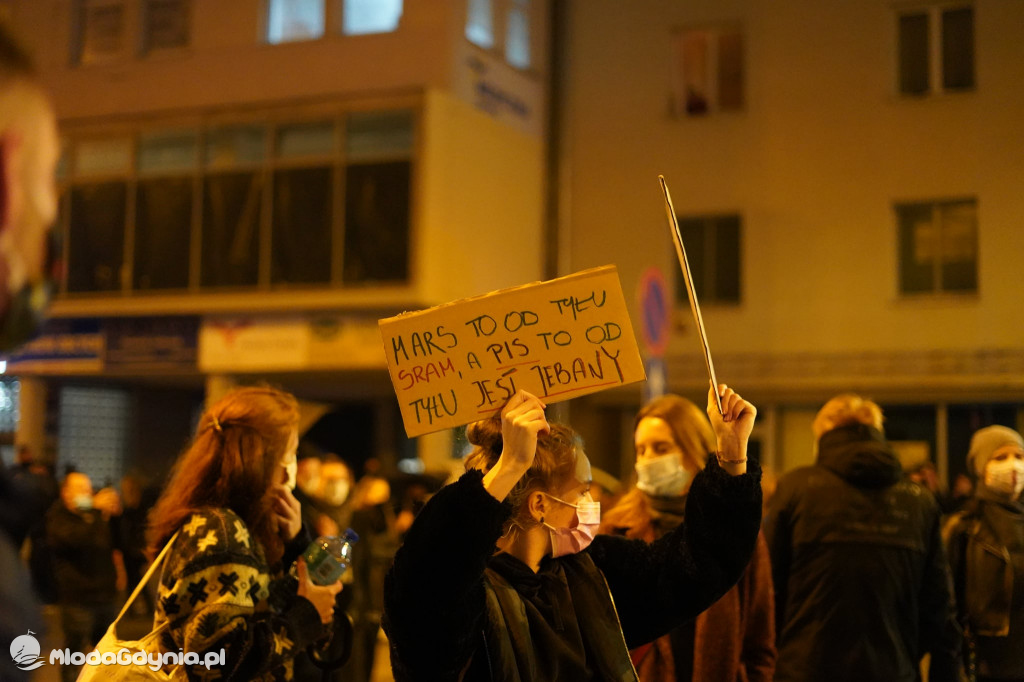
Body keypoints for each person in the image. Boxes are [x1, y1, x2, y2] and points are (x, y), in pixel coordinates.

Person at [383, 385, 762, 681]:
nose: (591, 500)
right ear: (540, 505)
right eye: (581, 490)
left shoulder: (590, 573)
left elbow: (695, 566)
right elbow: (424, 584)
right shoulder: (469, 596)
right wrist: (510, 465)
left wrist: (731, 455)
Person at [146, 386, 343, 680]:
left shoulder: (231, 525)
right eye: (286, 456)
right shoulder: (220, 532)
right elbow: (216, 660)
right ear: (256, 462)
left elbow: (258, 608)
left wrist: (296, 545)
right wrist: (304, 619)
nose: (289, 474)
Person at [764, 394, 963, 682]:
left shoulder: (796, 491)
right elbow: (939, 609)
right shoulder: (919, 502)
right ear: (877, 434)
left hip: (804, 670)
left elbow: (768, 592)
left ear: (821, 436)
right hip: (894, 670)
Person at [600, 394, 776, 681]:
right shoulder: (615, 530)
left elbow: (760, 638)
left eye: (661, 448)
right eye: (640, 450)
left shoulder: (735, 530)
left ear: (694, 447)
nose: (647, 460)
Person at [943, 425, 1024, 682]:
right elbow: (946, 602)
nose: (1013, 466)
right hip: (989, 663)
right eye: (1000, 457)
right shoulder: (965, 526)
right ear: (980, 467)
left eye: (1020, 457)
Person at [43, 472, 125, 681]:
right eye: (80, 489)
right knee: (74, 653)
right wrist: (95, 508)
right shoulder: (59, 516)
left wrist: (115, 515)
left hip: (105, 595)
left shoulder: (95, 515)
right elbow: (73, 539)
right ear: (66, 493)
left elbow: (119, 543)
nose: (87, 494)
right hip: (77, 599)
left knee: (107, 652)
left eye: (89, 489)